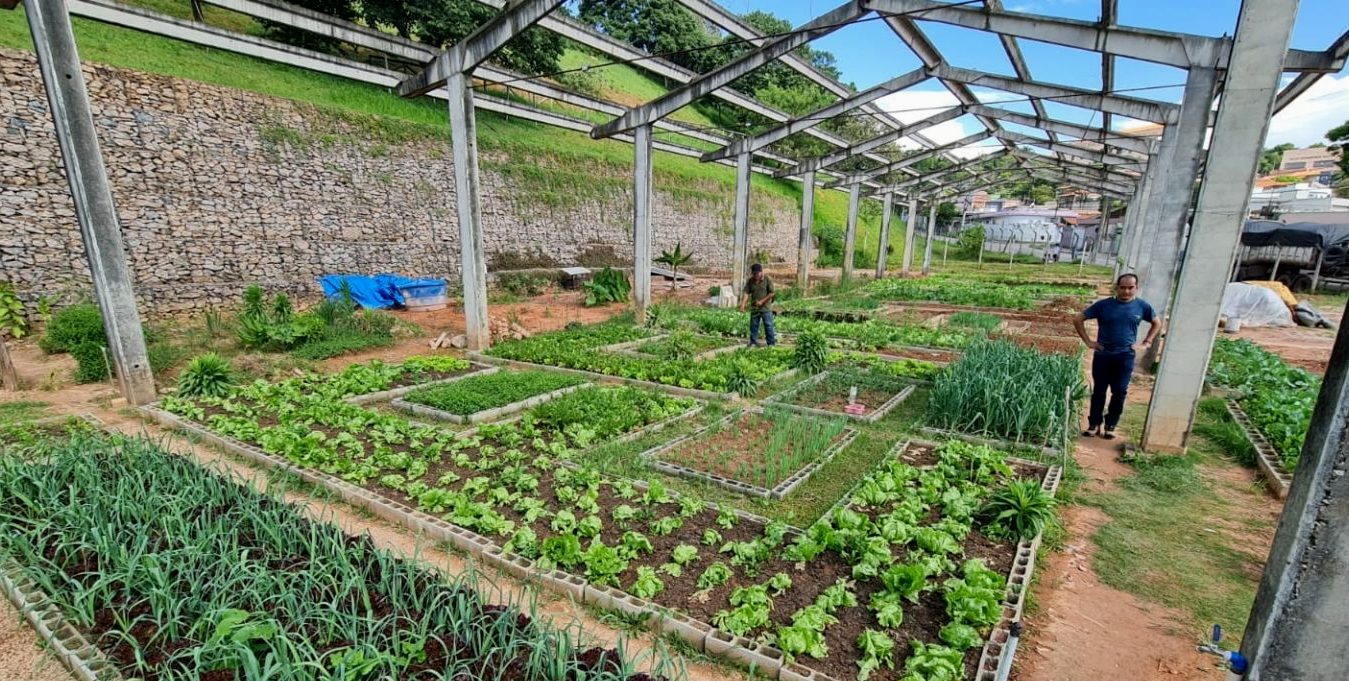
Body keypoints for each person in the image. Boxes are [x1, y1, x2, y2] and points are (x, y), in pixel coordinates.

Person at [1073, 273, 1162, 439]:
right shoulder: (1103, 306)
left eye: (1130, 288)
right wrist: (1089, 342)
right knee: (1099, 390)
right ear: (1117, 287)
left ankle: (1110, 425)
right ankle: (1094, 424)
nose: (1126, 291)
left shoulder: (1142, 306)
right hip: (1103, 354)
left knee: (1119, 391)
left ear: (1136, 288)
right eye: (1123, 287)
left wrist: (1147, 342)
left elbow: (1157, 323)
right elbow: (1078, 319)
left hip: (1125, 356)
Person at [739, 263, 776, 347]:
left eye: (757, 273)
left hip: (766, 308)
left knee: (768, 325)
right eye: (754, 273)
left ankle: (771, 344)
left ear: (761, 272)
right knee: (753, 326)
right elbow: (746, 293)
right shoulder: (751, 280)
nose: (755, 275)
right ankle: (753, 342)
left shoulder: (767, 279)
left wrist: (762, 301)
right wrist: (743, 305)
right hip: (755, 308)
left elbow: (771, 293)